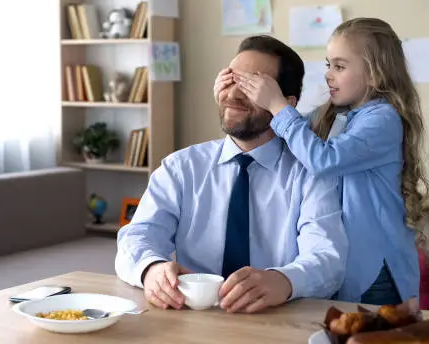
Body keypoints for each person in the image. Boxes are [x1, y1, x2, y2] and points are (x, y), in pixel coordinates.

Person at [115, 35, 348, 314]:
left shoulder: (311, 174)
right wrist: (150, 269)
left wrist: (284, 280)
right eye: (231, 80)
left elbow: (327, 258)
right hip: (190, 318)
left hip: (275, 321)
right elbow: (137, 235)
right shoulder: (180, 168)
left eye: (253, 85)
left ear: (286, 103)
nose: (234, 94)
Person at [213, 17, 429, 305]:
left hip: (374, 268)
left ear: (375, 74)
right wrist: (231, 100)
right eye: (328, 65)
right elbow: (282, 138)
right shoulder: (332, 116)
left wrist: (278, 105)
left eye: (339, 67)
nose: (328, 75)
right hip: (339, 260)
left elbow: (322, 159)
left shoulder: (383, 120)